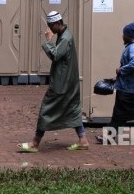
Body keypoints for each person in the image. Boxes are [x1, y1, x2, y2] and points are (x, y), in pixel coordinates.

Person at [18, 11, 89, 152]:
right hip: (69, 82)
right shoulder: (65, 35)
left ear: (58, 23)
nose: (49, 29)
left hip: (62, 84)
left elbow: (56, 55)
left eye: (51, 26)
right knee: (73, 109)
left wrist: (49, 41)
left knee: (46, 110)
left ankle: (35, 143)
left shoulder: (65, 39)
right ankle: (83, 140)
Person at [96, 22, 134, 144]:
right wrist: (116, 78)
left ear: (128, 35)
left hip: (129, 89)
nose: (122, 36)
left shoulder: (133, 48)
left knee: (119, 112)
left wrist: (121, 70)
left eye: (124, 34)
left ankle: (110, 136)